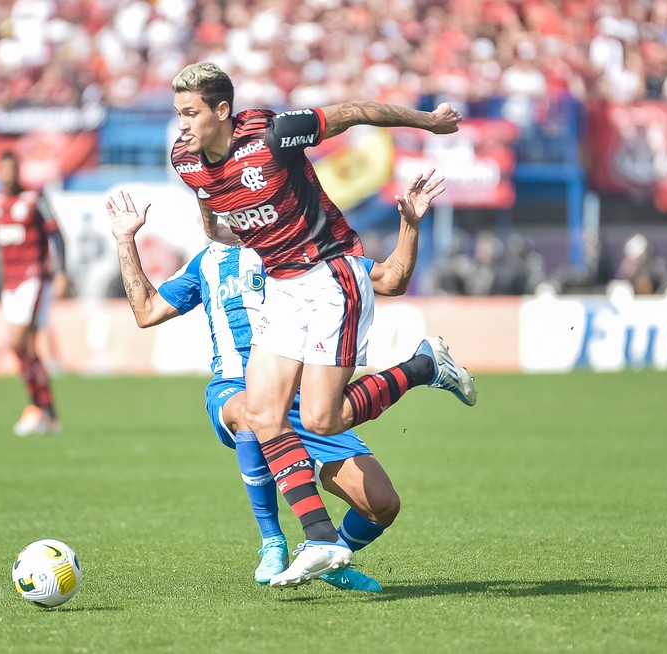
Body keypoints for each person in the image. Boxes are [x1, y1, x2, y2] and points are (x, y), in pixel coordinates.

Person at [169, 62, 476, 586]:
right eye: (178, 113)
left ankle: (424, 366)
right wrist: (239, 230)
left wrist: (428, 121)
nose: (183, 125)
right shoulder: (185, 159)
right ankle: (319, 538)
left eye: (191, 113)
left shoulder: (273, 135)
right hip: (282, 284)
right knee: (261, 414)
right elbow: (215, 219)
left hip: (331, 275)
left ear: (222, 111)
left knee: (322, 418)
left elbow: (354, 112)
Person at [107, 169, 447, 591]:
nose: (220, 211)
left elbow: (392, 279)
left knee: (382, 504)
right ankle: (273, 541)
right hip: (235, 386)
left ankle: (328, 558)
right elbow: (146, 311)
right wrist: (125, 239)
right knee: (254, 409)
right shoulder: (206, 263)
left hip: (304, 394)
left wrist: (409, 224)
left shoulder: (306, 252)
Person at [0, 150, 68, 436]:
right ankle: (47, 412)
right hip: (9, 281)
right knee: (28, 350)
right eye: (3, 170)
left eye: (12, 169)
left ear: (18, 171)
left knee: (15, 342)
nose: (7, 175)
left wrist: (61, 272)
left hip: (34, 278)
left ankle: (37, 408)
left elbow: (57, 235)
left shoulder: (35, 199)